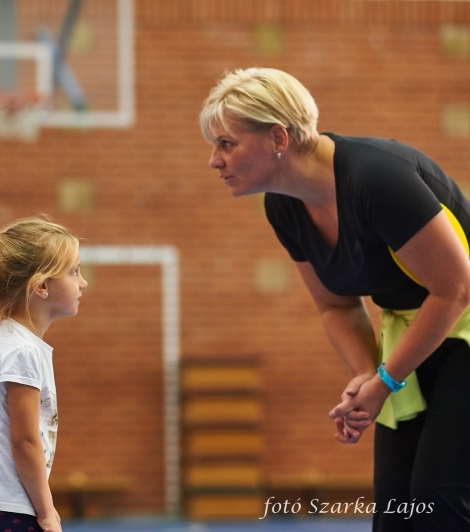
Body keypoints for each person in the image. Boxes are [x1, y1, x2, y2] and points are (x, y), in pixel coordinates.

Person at [200, 67, 470, 531]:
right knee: (396, 512)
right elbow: (336, 306)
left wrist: (385, 380)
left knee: (439, 501)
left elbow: (456, 289)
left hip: (459, 321)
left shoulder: (376, 178)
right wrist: (366, 372)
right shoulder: (283, 204)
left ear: (278, 138)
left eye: (227, 143)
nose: (214, 160)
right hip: (417, 333)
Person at [0, 218, 87, 532]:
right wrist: (46, 509)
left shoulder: (14, 342)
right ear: (41, 286)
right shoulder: (21, 351)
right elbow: (25, 441)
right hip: (4, 500)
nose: (83, 283)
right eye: (74, 272)